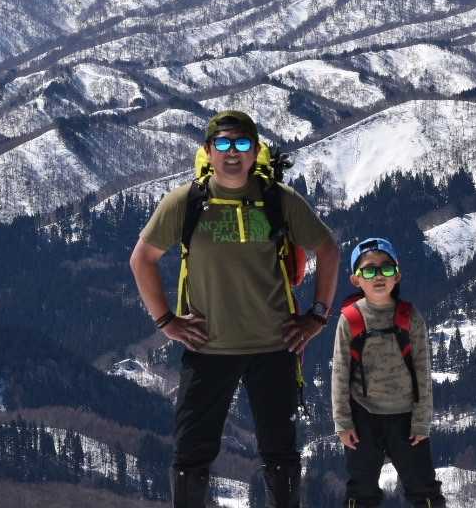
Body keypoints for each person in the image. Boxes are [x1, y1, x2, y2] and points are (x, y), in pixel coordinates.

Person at [129, 110, 341, 508]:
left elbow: (328, 249)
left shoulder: (277, 200)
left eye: (242, 144)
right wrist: (166, 321)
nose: (232, 152)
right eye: (223, 144)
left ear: (255, 151)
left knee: (281, 455)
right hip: (208, 347)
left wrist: (317, 315)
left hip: (274, 346)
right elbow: (142, 258)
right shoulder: (187, 202)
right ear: (208, 151)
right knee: (191, 456)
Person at [333, 237, 446, 507]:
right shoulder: (350, 319)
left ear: (397, 275)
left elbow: (423, 373)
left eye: (385, 268)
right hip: (363, 416)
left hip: (406, 418)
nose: (378, 275)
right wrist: (343, 423)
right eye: (369, 270)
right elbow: (339, 372)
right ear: (356, 280)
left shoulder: (411, 317)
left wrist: (422, 422)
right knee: (361, 492)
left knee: (424, 489)